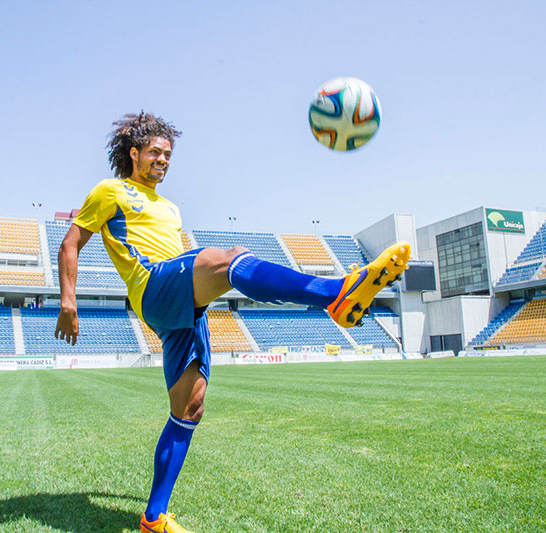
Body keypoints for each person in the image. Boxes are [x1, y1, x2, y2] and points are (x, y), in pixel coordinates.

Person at [55, 112, 410, 533]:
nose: (163, 160)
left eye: (168, 154)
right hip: (152, 285)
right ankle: (334, 294)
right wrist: (68, 301)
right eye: (154, 152)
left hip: (180, 304)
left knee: (189, 408)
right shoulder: (110, 191)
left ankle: (153, 517)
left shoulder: (169, 207)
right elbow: (71, 242)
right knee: (229, 257)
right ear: (134, 154)